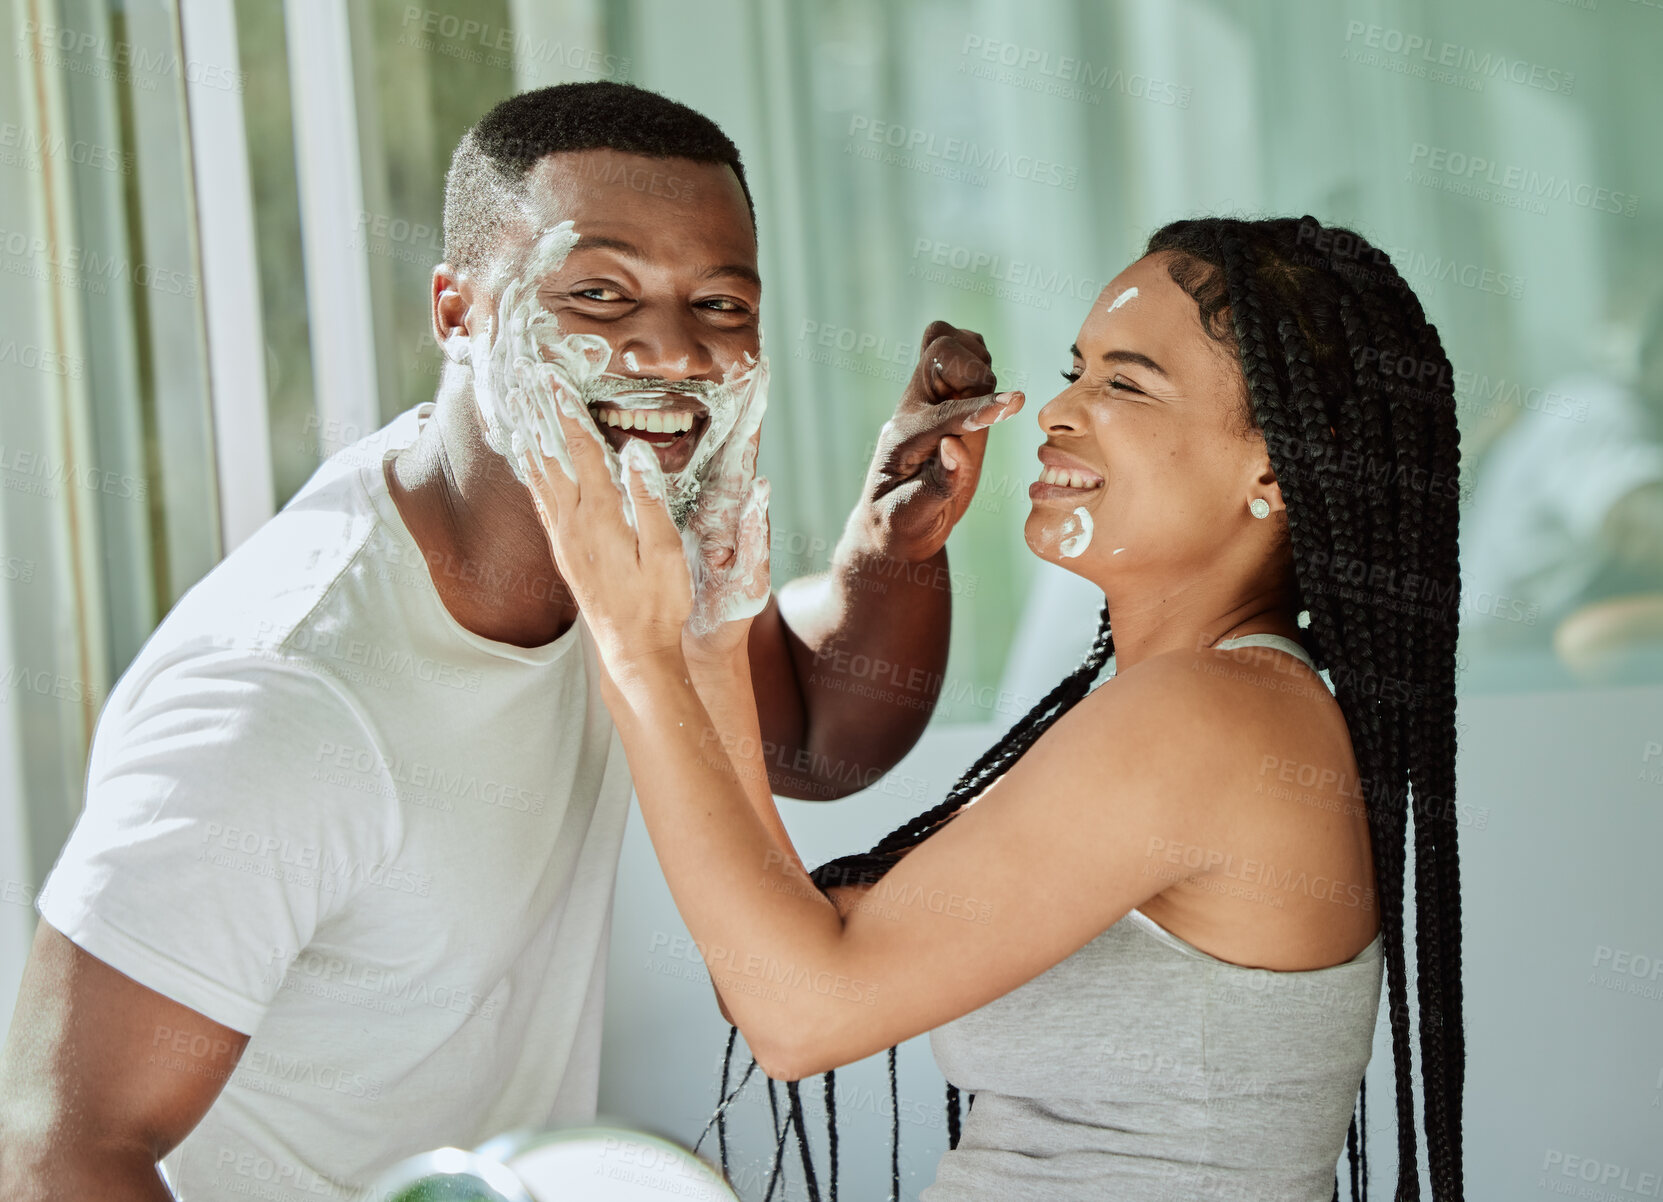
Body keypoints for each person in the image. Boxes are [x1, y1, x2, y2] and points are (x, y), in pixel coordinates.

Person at [0, 83, 1021, 1200]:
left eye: (720, 306)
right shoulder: (285, 694)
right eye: (598, 291)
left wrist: (893, 542)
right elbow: (55, 1146)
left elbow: (822, 736)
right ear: (457, 311)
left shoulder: (614, 549)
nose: (671, 351)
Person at [521, 216, 1465, 1201]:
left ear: (1272, 469)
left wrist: (633, 648)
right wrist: (713, 639)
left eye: (1125, 383)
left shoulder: (1209, 717)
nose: (1058, 408)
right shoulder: (1190, 704)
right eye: (1076, 368)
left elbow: (796, 1017)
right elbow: (767, 965)